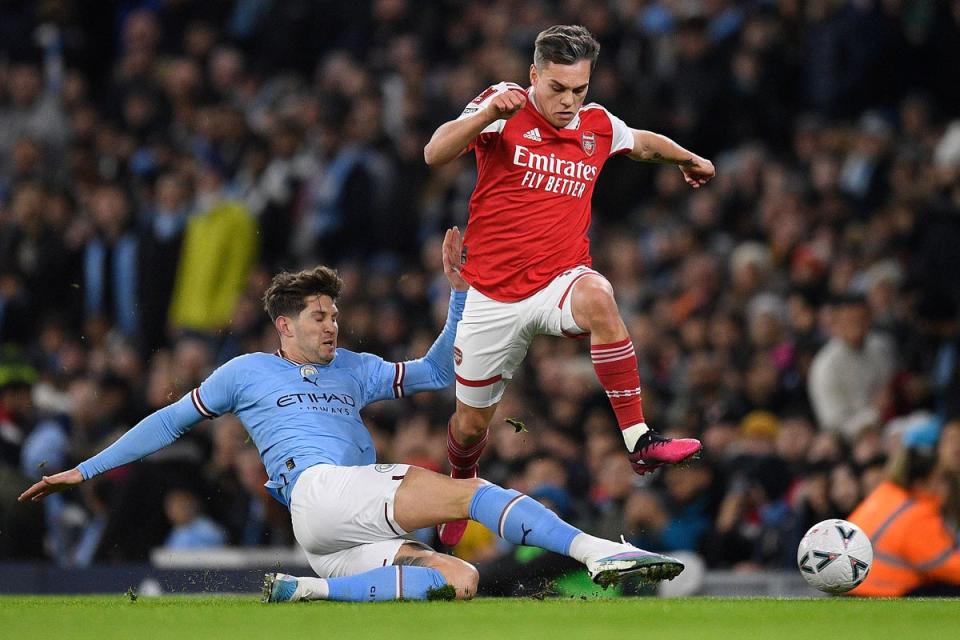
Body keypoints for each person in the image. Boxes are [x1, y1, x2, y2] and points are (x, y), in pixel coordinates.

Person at [18, 229, 685, 602]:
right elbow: (167, 423)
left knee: (460, 579)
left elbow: (435, 373)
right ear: (285, 324)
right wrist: (86, 469)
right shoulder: (245, 371)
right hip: (321, 489)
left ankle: (309, 593)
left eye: (335, 313)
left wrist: (457, 297)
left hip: (330, 536)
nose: (333, 323)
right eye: (319, 315)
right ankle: (599, 554)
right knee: (471, 493)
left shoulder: (355, 367)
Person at [423, 24, 715, 545]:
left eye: (579, 89)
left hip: (560, 279)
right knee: (469, 426)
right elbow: (434, 153)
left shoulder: (596, 124)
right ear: (534, 75)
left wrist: (687, 158)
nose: (568, 101)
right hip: (493, 293)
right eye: (557, 88)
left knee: (600, 297)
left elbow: (643, 144)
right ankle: (459, 486)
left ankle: (639, 439)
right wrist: (490, 114)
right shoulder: (500, 105)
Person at [847, 418, 960, 596]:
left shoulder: (885, 494)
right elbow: (944, 564)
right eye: (941, 480)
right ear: (925, 481)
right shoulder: (917, 513)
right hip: (883, 590)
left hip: (854, 585)